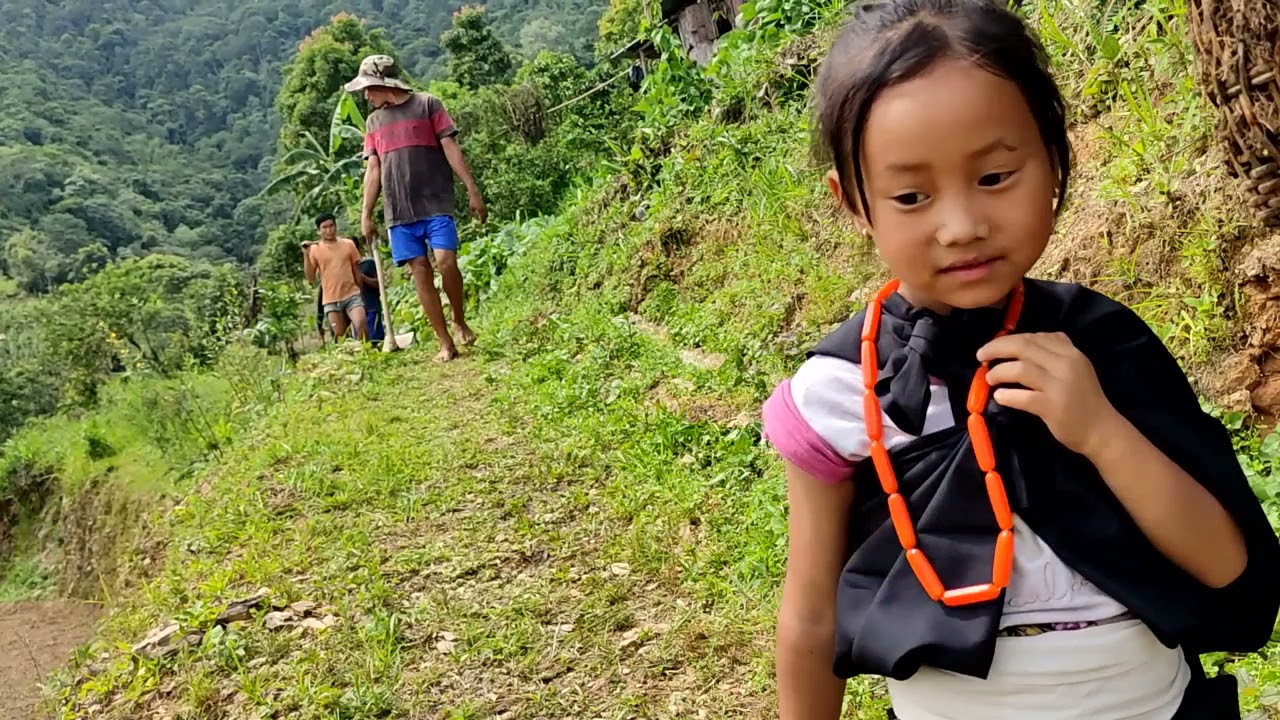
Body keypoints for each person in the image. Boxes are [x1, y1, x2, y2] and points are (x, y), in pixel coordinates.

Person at [761, 1, 1280, 718]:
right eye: (911, 195)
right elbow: (814, 618)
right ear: (854, 203)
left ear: (1055, 158)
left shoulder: (1104, 345)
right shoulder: (838, 393)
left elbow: (1227, 568)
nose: (961, 226)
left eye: (996, 177)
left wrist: (1100, 431)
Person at [344, 54, 485, 363]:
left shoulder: (428, 105)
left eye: (368, 87)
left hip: (435, 202)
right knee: (420, 273)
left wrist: (472, 190)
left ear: (384, 83)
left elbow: (451, 148)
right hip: (399, 211)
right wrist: (366, 215)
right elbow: (374, 171)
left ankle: (459, 320)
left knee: (446, 262)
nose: (366, 95)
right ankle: (445, 341)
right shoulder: (373, 122)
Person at [304, 213, 371, 342]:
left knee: (361, 323)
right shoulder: (314, 249)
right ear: (319, 230)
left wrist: (361, 292)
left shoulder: (348, 244)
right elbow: (311, 277)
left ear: (335, 226)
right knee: (341, 336)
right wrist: (306, 256)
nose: (329, 230)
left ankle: (369, 352)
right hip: (331, 300)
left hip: (352, 294)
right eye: (324, 227)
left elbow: (356, 270)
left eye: (331, 226)